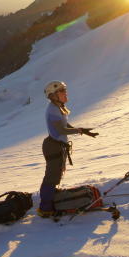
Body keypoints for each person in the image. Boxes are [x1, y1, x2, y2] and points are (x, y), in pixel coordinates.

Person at [38, 81, 98, 218]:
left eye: (65, 90)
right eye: (62, 91)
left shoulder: (58, 107)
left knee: (55, 176)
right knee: (51, 178)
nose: (65, 93)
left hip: (57, 145)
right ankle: (45, 209)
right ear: (53, 95)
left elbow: (64, 124)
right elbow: (61, 130)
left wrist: (81, 130)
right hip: (54, 147)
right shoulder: (53, 110)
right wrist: (78, 130)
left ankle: (50, 200)